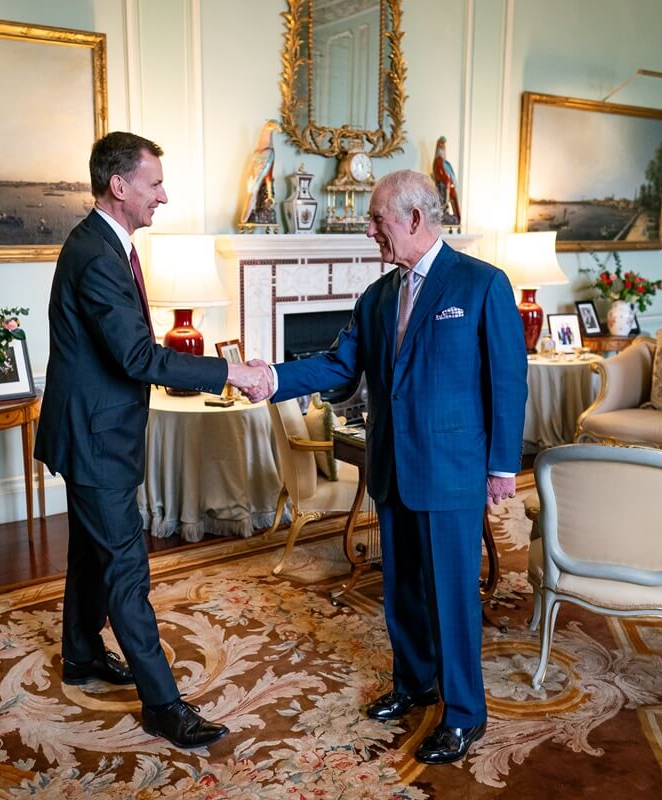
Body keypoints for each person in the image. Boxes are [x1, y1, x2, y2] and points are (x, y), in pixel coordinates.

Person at [249, 170, 526, 765]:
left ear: (415, 219)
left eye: (377, 219)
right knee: (400, 588)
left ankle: (463, 715)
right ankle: (414, 683)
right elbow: (337, 367)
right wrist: (270, 377)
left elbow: (507, 380)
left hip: (452, 470)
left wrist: (502, 464)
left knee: (450, 594)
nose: (369, 229)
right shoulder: (378, 297)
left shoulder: (482, 284)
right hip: (392, 467)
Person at [35, 132, 270, 749]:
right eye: (155, 183)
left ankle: (82, 655)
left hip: (97, 430)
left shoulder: (106, 248)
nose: (163, 195)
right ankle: (163, 705)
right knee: (124, 568)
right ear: (120, 186)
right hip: (94, 438)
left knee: (92, 552)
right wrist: (230, 371)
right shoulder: (94, 256)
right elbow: (138, 356)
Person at [432, 136, 461, 226]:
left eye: (442, 147)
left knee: (449, 201)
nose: (441, 149)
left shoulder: (445, 163)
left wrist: (449, 185)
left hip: (448, 186)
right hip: (442, 186)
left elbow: (450, 178)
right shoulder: (437, 162)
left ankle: (456, 217)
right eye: (440, 146)